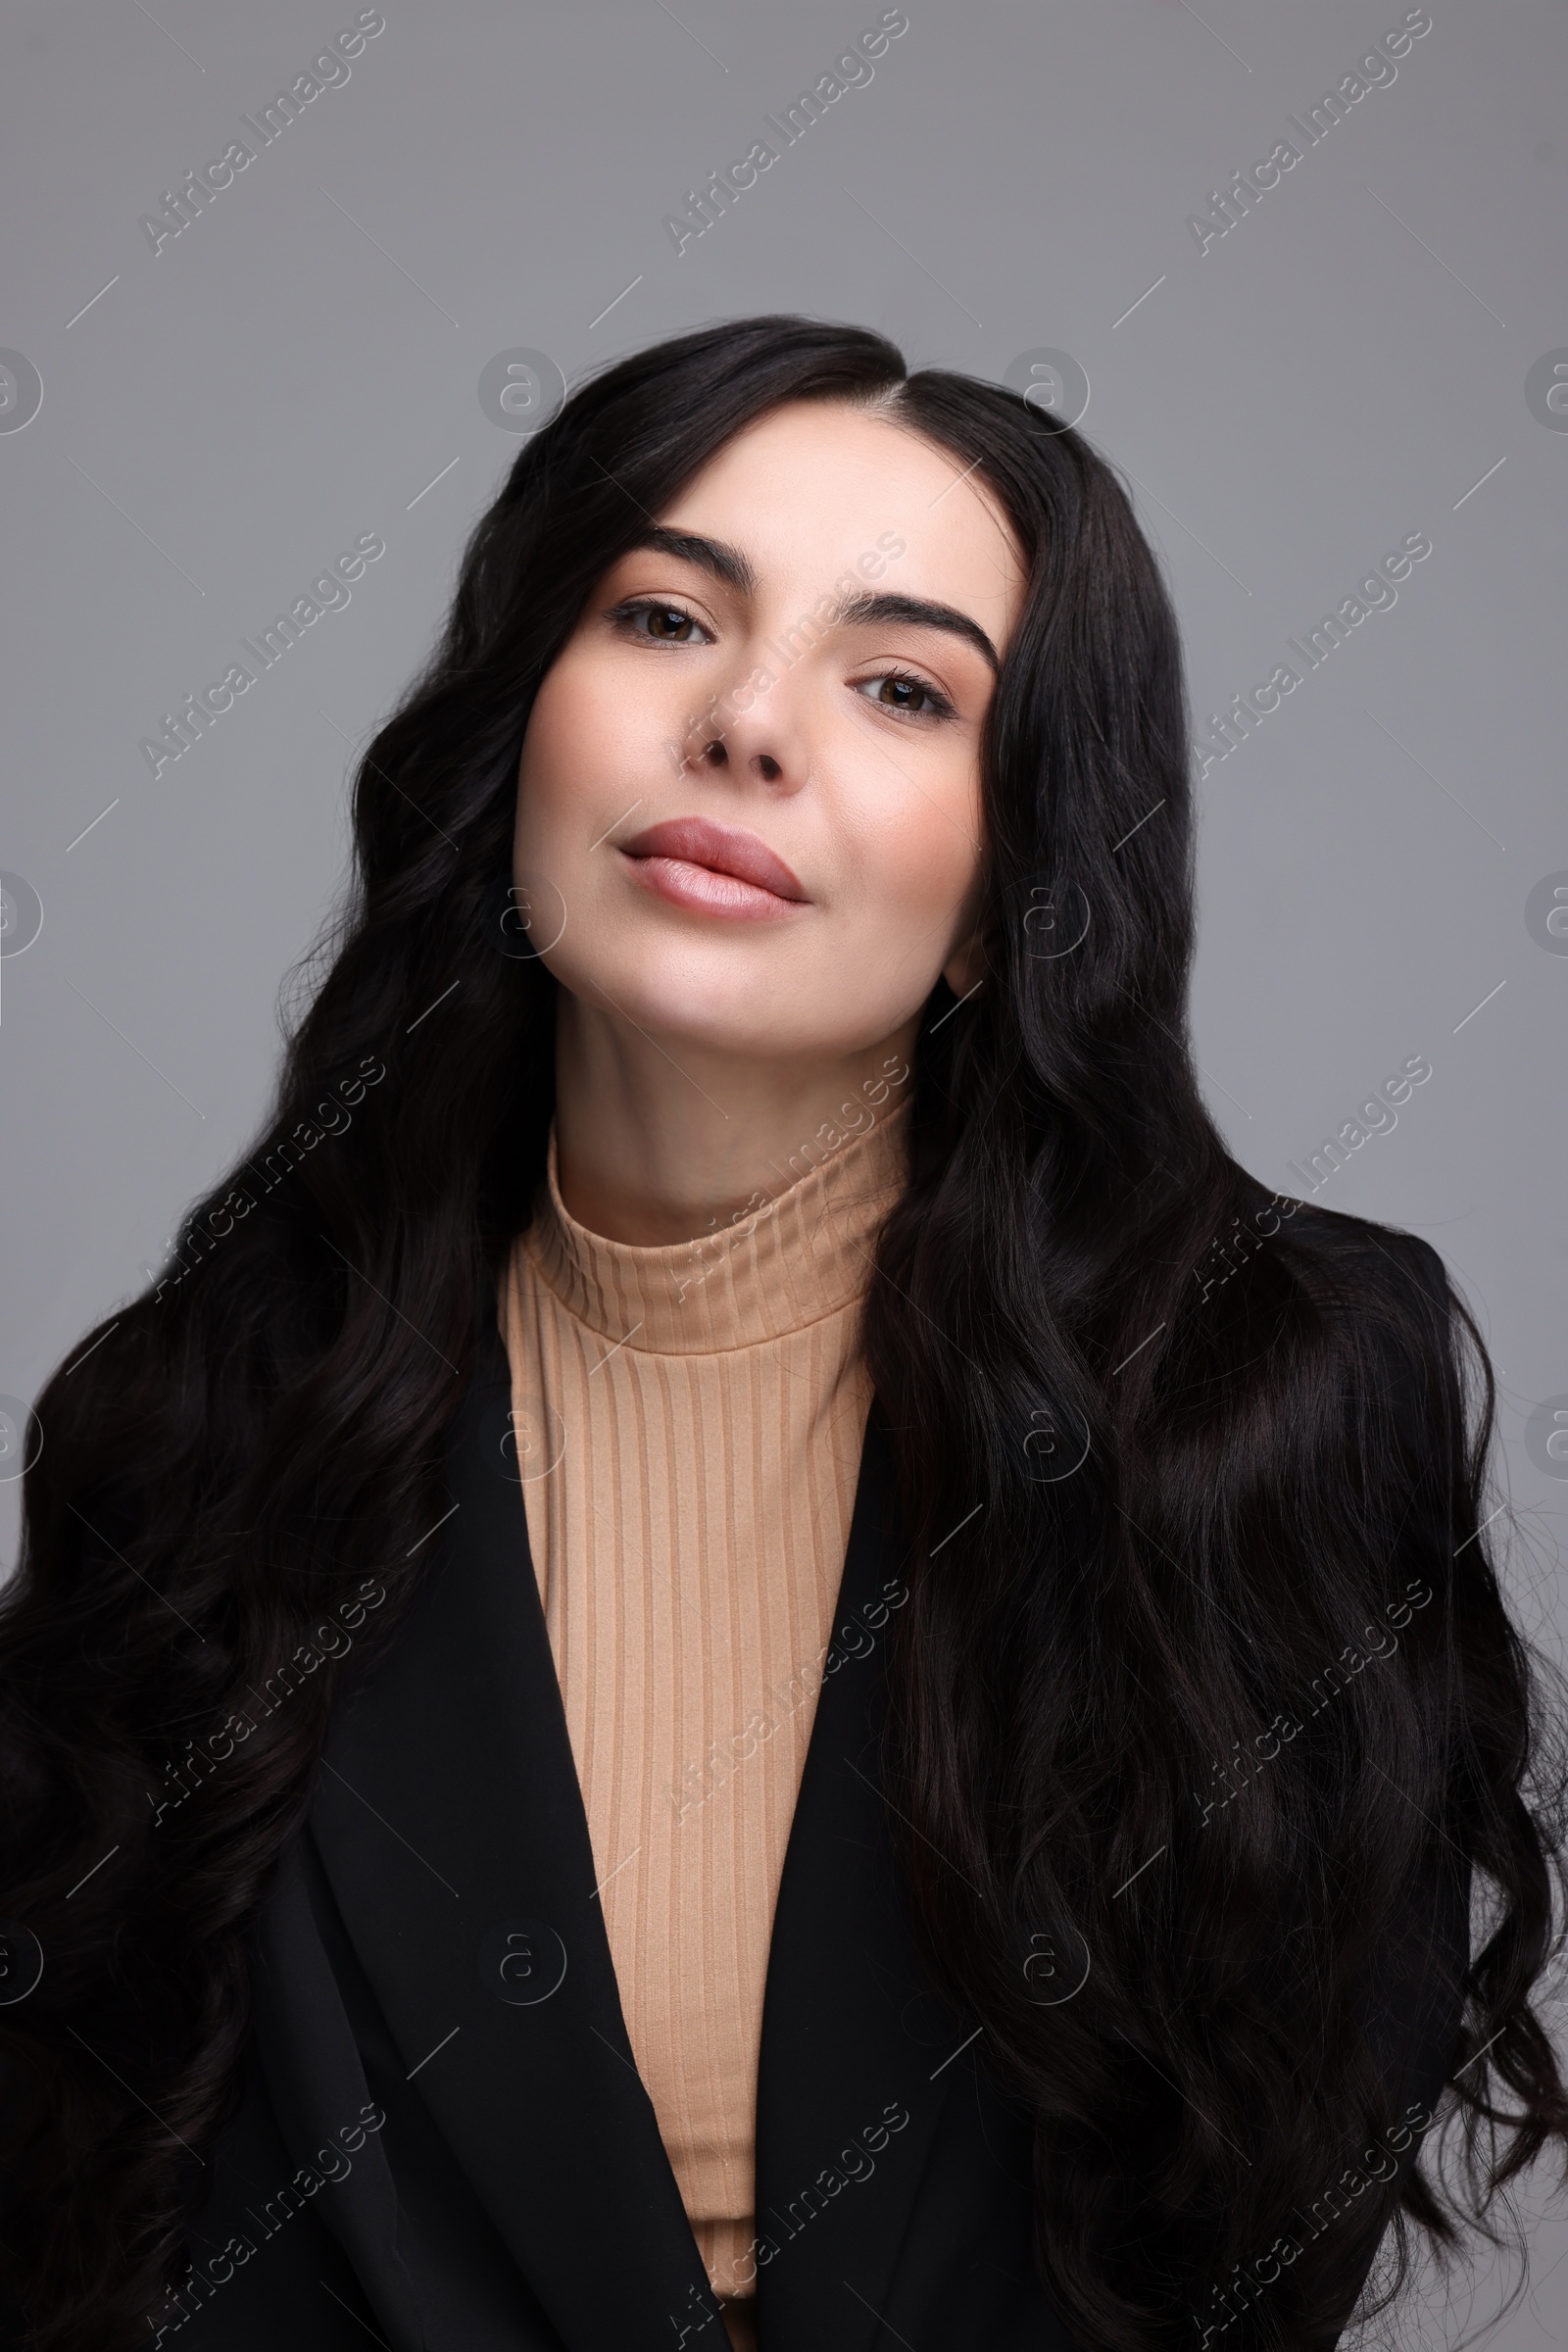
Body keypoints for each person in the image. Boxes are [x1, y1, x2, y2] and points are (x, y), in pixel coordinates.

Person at [1, 316, 1563, 2352]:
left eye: (900, 685)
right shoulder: (206, 1417)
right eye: (663, 617)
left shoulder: (1260, 1399)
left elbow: (1235, 2248)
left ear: (1010, 891)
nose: (745, 723)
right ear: (516, 739)